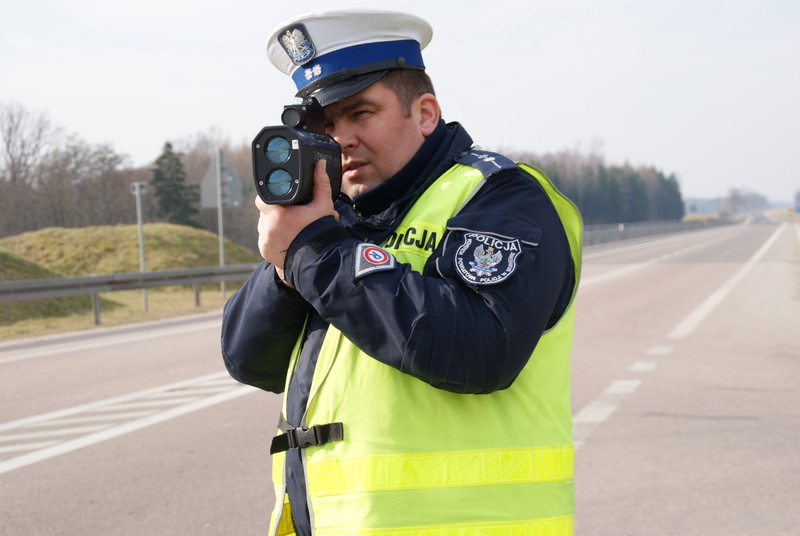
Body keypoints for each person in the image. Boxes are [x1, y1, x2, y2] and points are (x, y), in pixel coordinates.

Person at [221, 9, 582, 536]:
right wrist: (287, 263)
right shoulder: (338, 221)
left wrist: (316, 253)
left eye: (360, 113)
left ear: (426, 113)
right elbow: (248, 360)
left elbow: (478, 351)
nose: (338, 138)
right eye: (323, 124)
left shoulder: (499, 196)